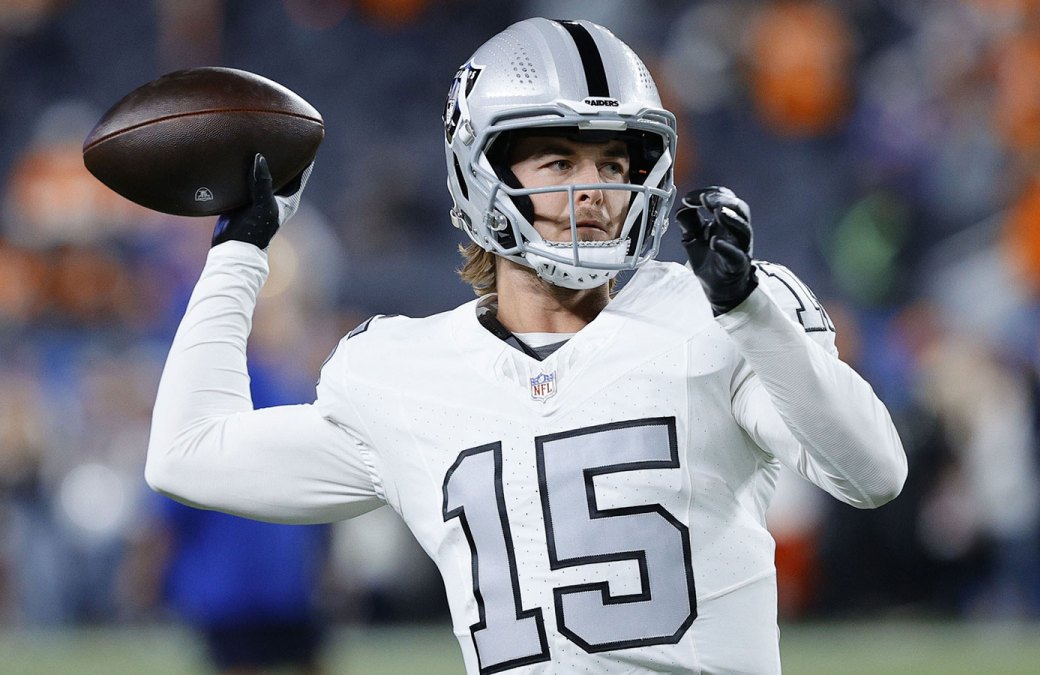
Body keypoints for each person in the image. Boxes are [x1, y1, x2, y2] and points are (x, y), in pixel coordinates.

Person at [145, 17, 906, 674]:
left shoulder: (719, 315)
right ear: (482, 173)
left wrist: (750, 310)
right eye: (560, 161)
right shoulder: (403, 371)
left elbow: (874, 471)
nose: (599, 190)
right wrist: (242, 250)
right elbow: (186, 453)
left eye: (616, 161)